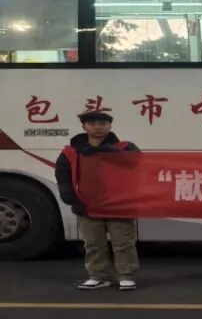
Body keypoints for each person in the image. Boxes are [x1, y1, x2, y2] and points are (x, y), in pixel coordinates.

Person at [55, 111, 141, 291]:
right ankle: (98, 276)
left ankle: (126, 276)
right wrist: (69, 196)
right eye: (92, 124)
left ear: (110, 126)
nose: (98, 127)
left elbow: (138, 164)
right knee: (93, 243)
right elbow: (63, 175)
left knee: (123, 242)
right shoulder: (71, 152)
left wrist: (116, 154)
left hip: (119, 204)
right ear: (84, 127)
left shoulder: (126, 147)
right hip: (87, 204)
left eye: (103, 124)